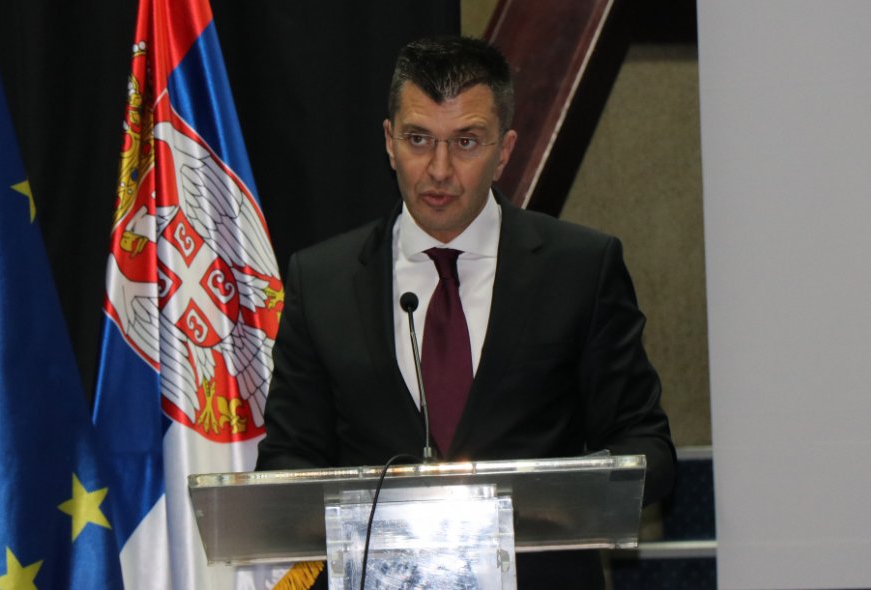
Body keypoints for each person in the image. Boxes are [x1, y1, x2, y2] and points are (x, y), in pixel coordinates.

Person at [255, 36, 675, 588]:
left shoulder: (580, 269)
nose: (439, 169)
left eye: (467, 142)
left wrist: (555, 503)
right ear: (389, 142)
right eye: (418, 139)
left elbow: (645, 446)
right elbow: (288, 461)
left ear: (505, 151)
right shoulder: (322, 280)